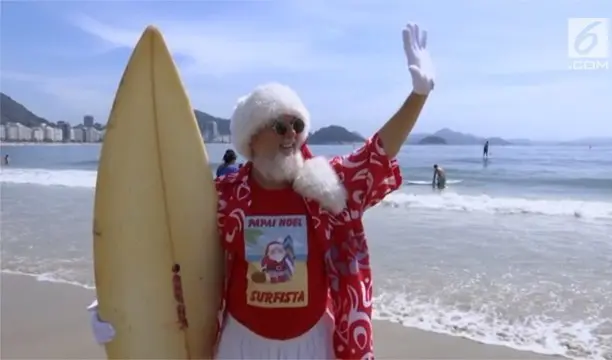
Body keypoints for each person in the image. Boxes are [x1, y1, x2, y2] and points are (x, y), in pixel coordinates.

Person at [87, 22, 435, 359]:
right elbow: (167, 250)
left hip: (313, 342)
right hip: (243, 343)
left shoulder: (326, 188)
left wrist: (418, 96)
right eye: (279, 125)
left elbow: (377, 153)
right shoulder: (222, 197)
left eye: (297, 125)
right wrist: (116, 307)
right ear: (251, 138)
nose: (290, 135)